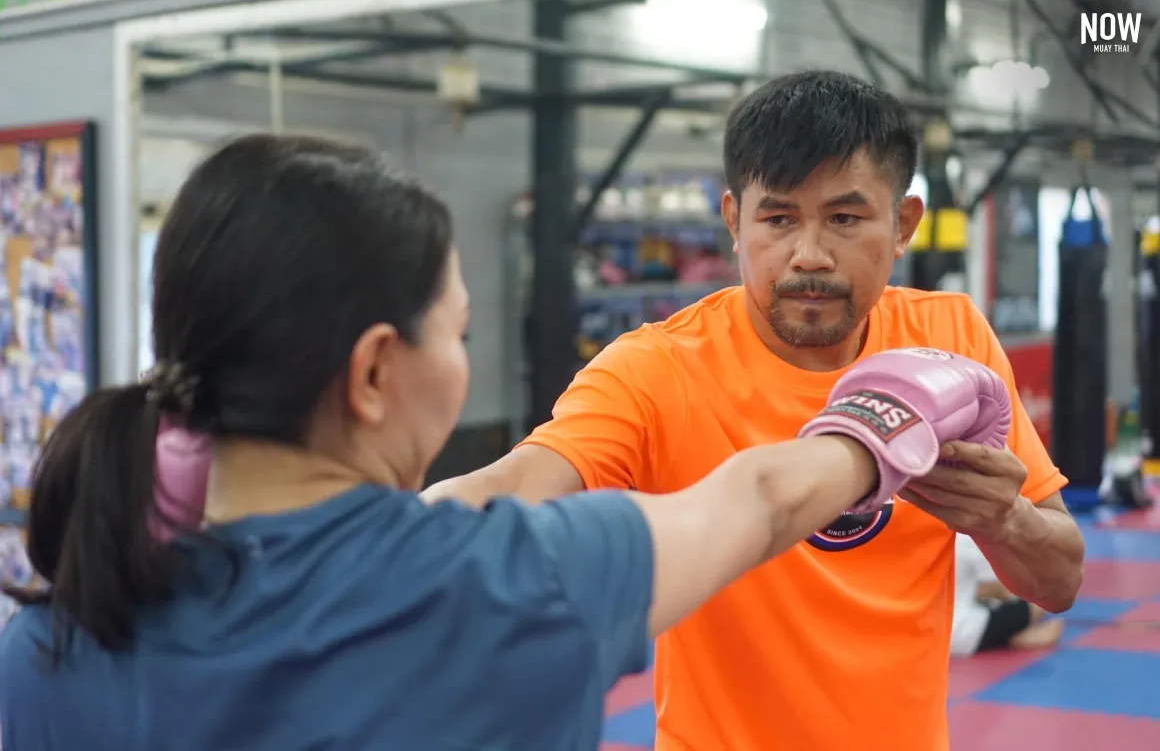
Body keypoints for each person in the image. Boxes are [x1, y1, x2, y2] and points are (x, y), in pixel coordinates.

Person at [0, 134, 1006, 751]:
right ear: (375, 371)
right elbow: (758, 501)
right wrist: (887, 422)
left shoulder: (50, 636)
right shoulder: (518, 582)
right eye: (459, 330)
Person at [424, 70, 1086, 751]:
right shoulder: (658, 368)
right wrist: (380, 544)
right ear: (735, 221)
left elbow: (1061, 579)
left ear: (902, 225)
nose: (808, 255)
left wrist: (1004, 520)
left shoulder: (950, 341)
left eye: (845, 218)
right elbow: (519, 483)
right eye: (778, 218)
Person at [952, 533, 1065, 656]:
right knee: (1040, 604)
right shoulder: (967, 538)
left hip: (932, 633)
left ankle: (1011, 634)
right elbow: (997, 589)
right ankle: (1011, 636)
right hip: (961, 634)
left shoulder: (933, 533)